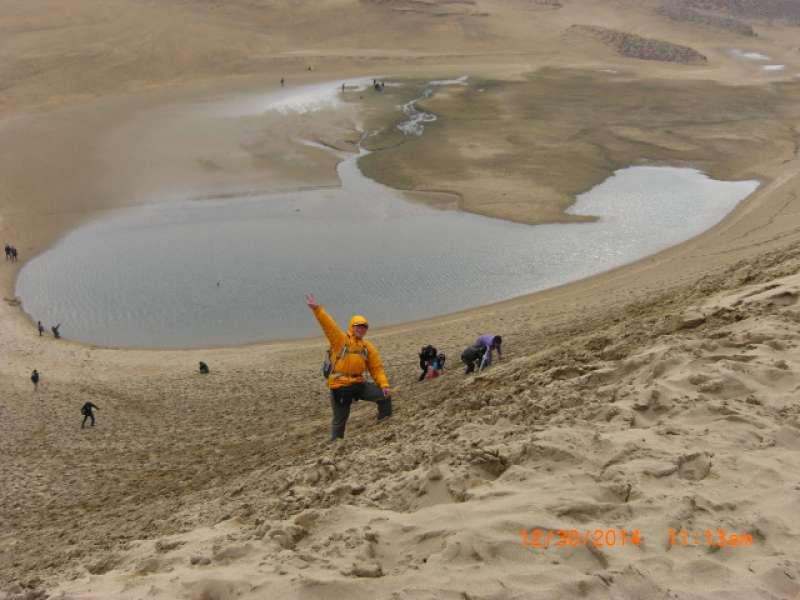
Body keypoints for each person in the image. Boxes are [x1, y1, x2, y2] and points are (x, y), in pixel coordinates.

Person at [305, 293, 391, 440]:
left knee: (384, 397)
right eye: (358, 326)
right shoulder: (340, 340)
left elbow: (376, 368)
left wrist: (383, 384)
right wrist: (317, 309)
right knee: (340, 420)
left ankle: (384, 426)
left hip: (358, 384)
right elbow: (329, 325)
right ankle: (335, 445)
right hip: (340, 386)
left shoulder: (367, 347)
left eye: (364, 327)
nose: (361, 329)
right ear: (352, 327)